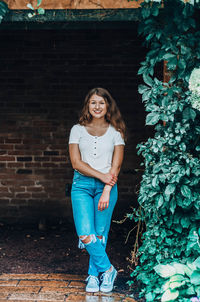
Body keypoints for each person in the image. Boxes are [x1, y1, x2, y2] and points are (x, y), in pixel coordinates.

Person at [68, 87, 125, 293]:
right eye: (93, 102)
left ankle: (94, 275)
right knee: (85, 234)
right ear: (88, 105)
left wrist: (107, 190)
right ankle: (108, 269)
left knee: (100, 234)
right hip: (81, 185)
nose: (97, 106)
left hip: (107, 187)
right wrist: (101, 176)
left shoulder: (116, 132)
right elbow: (76, 162)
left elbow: (116, 167)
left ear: (108, 105)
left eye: (101, 102)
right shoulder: (77, 130)